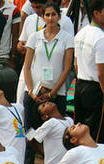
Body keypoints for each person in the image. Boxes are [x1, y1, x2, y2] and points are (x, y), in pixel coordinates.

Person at [21, 1, 74, 130]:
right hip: (34, 92)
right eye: (48, 15)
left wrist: (52, 93)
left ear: (59, 16)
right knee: (30, 131)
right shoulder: (35, 37)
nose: (50, 18)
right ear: (43, 17)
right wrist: (31, 90)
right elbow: (27, 66)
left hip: (57, 93)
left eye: (53, 14)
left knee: (57, 132)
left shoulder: (67, 38)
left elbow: (67, 68)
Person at [73, 0, 104, 142]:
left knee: (81, 132)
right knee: (95, 137)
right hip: (95, 91)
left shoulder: (81, 33)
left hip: (80, 86)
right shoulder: (102, 38)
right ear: (96, 13)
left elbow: (77, 65)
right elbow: (102, 74)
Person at [26, 100, 71, 164]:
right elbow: (30, 138)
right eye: (43, 105)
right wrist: (42, 153)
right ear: (45, 116)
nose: (47, 103)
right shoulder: (51, 123)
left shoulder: (69, 120)